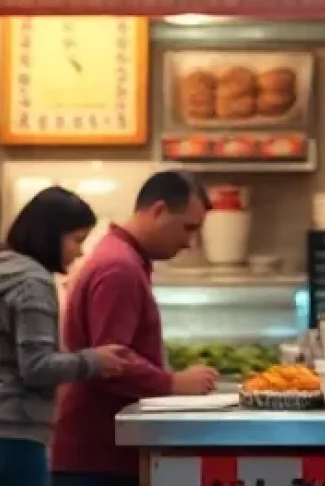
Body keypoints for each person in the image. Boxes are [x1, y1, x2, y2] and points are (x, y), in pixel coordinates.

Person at [0, 186, 133, 486]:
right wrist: (93, 361)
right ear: (50, 235)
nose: (80, 252)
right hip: (10, 433)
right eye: (77, 240)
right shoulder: (33, 282)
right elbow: (36, 367)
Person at [52, 170, 215, 486]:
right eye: (188, 228)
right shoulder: (120, 268)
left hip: (102, 455)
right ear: (159, 211)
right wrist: (173, 383)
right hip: (98, 459)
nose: (189, 242)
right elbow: (113, 363)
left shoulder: (122, 257)